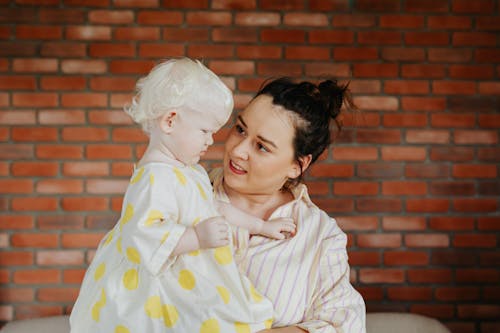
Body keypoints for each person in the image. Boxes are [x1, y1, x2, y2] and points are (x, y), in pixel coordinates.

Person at [69, 58, 296, 333]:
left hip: (189, 275)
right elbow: (141, 233)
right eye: (204, 131)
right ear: (170, 120)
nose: (211, 141)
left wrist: (261, 226)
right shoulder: (153, 178)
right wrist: (197, 237)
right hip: (157, 284)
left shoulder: (190, 171)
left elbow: (214, 208)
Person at [209, 77, 367, 332]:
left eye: (261, 147)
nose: (238, 151)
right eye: (240, 129)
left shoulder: (321, 235)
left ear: (298, 165)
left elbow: (343, 325)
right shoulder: (184, 191)